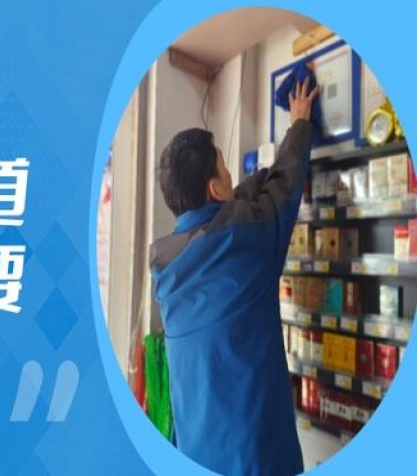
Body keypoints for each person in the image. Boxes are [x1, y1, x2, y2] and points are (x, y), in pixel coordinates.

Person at [149, 77, 319, 476]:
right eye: (225, 169)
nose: (230, 176)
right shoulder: (246, 239)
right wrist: (299, 124)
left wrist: (258, 176)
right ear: (214, 188)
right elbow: (285, 187)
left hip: (194, 449)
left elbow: (231, 208)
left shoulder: (166, 267)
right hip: (255, 458)